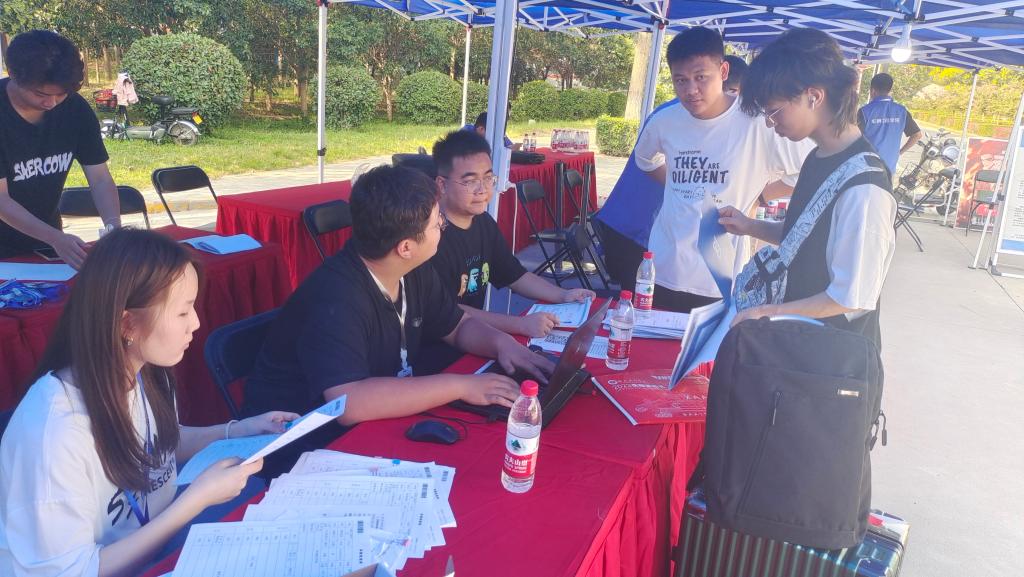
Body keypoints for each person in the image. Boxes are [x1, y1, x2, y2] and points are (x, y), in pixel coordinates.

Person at [0, 228, 298, 577]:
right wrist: (196, 500)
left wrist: (237, 430)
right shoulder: (54, 432)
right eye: (182, 312)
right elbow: (71, 571)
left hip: (157, 541)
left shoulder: (145, 371)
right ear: (127, 323)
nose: (196, 324)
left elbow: (159, 442)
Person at [243, 165, 553, 440]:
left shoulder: (411, 268)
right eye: (437, 223)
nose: (442, 226)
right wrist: (463, 386)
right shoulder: (336, 297)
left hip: (376, 418)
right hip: (303, 442)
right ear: (405, 247)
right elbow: (347, 403)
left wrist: (502, 344)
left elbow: (457, 325)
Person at [720, 28, 896, 348]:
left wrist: (766, 313)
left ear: (814, 97)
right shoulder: (818, 157)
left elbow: (851, 296)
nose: (770, 122)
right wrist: (748, 226)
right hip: (798, 346)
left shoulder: (866, 188)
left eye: (774, 110)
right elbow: (804, 235)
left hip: (831, 360)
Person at [631, 26, 812, 313]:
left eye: (701, 77)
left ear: (723, 71)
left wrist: (760, 197)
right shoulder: (664, 121)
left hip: (720, 276)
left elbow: (808, 169)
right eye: (680, 80)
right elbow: (645, 160)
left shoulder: (757, 121)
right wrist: (677, 186)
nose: (691, 90)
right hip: (663, 267)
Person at [431, 130, 594, 339]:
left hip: (477, 337)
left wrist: (563, 295)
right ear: (442, 184)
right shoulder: (431, 237)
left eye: (488, 178)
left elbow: (515, 275)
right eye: (470, 181)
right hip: (442, 346)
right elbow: (448, 311)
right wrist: (519, 324)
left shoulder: (483, 223)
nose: (482, 189)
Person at [0, 30, 121, 269]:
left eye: (61, 94)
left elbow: (100, 178)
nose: (51, 103)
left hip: (45, 243)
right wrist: (55, 238)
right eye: (41, 94)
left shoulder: (75, 109)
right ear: (12, 74)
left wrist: (113, 227)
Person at [857, 73, 923, 175]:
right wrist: (899, 153)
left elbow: (853, 138)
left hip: (866, 168)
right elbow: (917, 135)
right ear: (889, 90)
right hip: (889, 170)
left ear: (872, 90)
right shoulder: (902, 111)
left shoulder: (865, 111)